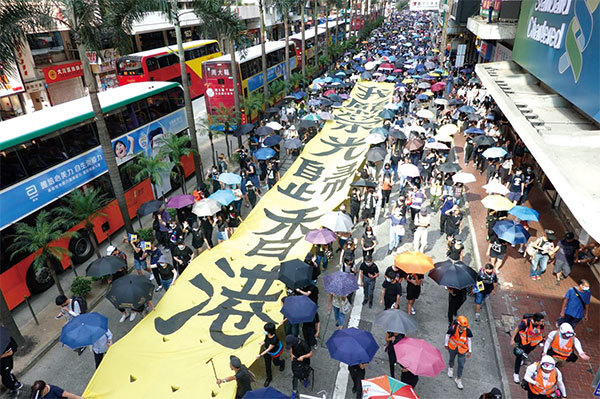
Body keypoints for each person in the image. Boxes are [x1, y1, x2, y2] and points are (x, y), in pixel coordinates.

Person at [511, 313, 545, 383]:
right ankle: (516, 373)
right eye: (541, 321)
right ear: (536, 321)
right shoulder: (525, 323)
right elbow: (517, 329)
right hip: (523, 341)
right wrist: (512, 339)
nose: (543, 323)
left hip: (532, 343)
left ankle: (523, 359)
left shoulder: (541, 325)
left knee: (526, 353)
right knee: (519, 356)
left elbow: (540, 332)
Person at [445, 315, 473, 390]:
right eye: (463, 327)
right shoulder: (453, 329)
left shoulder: (468, 331)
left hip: (462, 350)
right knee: (451, 358)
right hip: (453, 347)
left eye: (465, 327)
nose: (464, 328)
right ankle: (450, 367)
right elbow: (447, 335)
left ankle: (458, 378)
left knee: (461, 364)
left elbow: (469, 340)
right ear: (459, 325)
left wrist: (470, 351)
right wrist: (446, 344)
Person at [257, 323, 284, 387]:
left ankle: (282, 363)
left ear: (269, 331)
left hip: (274, 352)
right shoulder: (268, 335)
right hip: (267, 352)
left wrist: (260, 355)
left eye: (266, 330)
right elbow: (266, 340)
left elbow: (269, 349)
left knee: (276, 363)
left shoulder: (274, 339)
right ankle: (269, 378)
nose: (265, 331)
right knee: (267, 365)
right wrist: (262, 343)